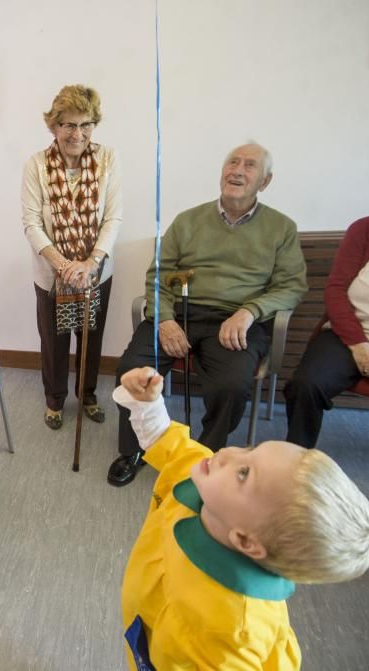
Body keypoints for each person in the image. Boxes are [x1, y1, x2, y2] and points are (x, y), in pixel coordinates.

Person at [115, 367, 369, 670]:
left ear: (244, 539)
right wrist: (147, 402)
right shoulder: (210, 487)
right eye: (251, 450)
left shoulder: (231, 633)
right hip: (147, 623)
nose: (229, 452)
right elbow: (174, 447)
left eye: (244, 473)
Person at [110, 143, 307, 487]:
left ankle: (206, 455)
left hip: (236, 321)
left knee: (230, 386)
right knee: (130, 370)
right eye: (232, 162)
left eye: (249, 165)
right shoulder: (187, 221)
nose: (237, 170)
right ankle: (135, 448)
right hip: (182, 311)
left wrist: (250, 311)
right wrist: (165, 319)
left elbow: (291, 286)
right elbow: (158, 275)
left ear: (265, 180)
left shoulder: (282, 228)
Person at [285, 146, 369, 447]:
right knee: (305, 385)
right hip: (353, 332)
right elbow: (336, 290)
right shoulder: (367, 229)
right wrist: (360, 346)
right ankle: (293, 464)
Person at [22, 84, 123, 430]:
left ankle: (88, 394)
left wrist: (91, 263)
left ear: (94, 126)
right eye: (67, 125)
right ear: (53, 126)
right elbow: (32, 223)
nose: (76, 134)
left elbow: (113, 217)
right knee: (54, 341)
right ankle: (54, 400)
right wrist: (64, 266)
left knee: (91, 337)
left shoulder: (108, 159)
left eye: (85, 124)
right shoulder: (36, 165)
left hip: (97, 272)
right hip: (52, 275)